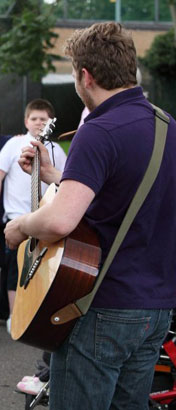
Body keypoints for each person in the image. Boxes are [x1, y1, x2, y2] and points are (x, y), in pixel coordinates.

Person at [4, 22, 176, 410]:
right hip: (156, 310)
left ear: (85, 75)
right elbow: (129, 190)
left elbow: (60, 222)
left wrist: (17, 227)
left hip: (101, 305)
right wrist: (54, 176)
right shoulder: (167, 127)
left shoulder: (97, 130)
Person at [0, 98, 66, 333]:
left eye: (44, 119)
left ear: (51, 123)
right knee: (16, 267)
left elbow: (66, 182)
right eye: (35, 118)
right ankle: (14, 314)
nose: (39, 122)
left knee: (42, 266)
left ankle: (37, 312)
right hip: (16, 217)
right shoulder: (14, 145)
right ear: (26, 121)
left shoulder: (56, 149)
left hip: (45, 219)